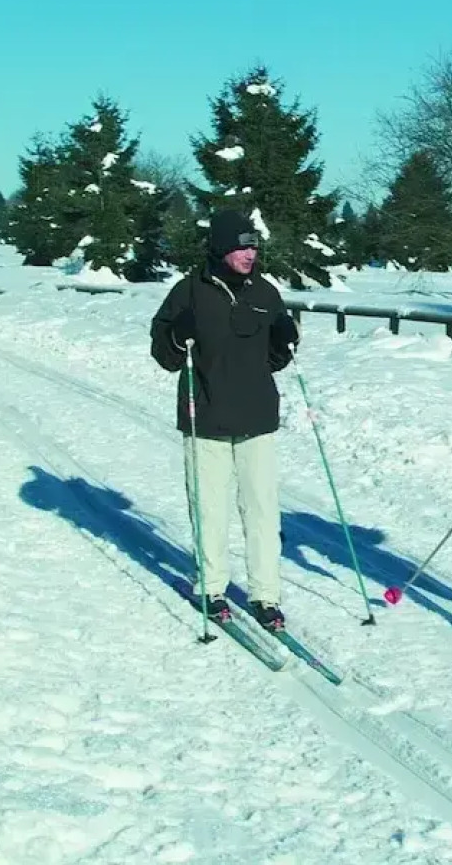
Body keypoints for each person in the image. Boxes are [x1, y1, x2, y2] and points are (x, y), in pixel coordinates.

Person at [149, 210, 300, 633]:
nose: (251, 253)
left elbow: (273, 357)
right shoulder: (189, 292)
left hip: (257, 418)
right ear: (219, 248)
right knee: (210, 507)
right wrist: (177, 334)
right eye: (242, 245)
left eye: (254, 245)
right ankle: (212, 587)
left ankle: (265, 596)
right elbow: (165, 354)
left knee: (263, 511)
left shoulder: (266, 292)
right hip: (207, 417)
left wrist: (286, 342)